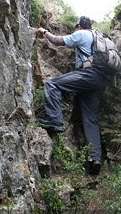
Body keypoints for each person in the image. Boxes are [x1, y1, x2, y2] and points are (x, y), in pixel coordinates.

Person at [36, 16, 108, 175]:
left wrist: (44, 31)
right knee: (90, 119)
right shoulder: (98, 37)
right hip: (101, 80)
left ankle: (54, 120)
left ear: (78, 26)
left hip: (88, 75)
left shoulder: (82, 34)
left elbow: (57, 40)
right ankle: (95, 159)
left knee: (52, 84)